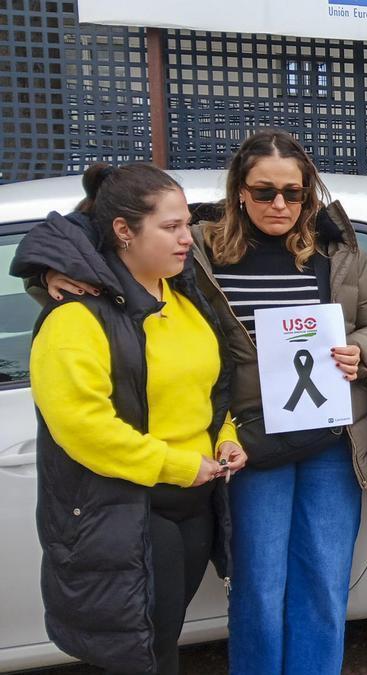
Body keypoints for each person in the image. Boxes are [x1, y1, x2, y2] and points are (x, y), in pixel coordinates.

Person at [18, 163, 246, 674]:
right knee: (145, 655)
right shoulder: (76, 315)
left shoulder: (184, 296)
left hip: (197, 498)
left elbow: (210, 391)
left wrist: (226, 436)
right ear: (124, 231)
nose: (188, 239)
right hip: (133, 505)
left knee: (162, 643)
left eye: (187, 224)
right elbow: (83, 425)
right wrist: (176, 465)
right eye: (171, 227)